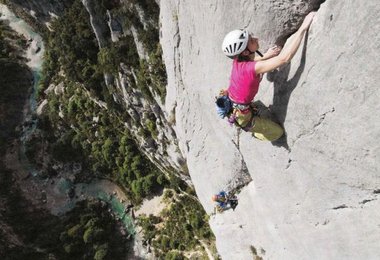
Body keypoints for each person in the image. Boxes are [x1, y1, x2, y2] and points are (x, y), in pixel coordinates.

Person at [220, 12, 316, 141]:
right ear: (245, 51)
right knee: (277, 133)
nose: (257, 39)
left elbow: (254, 64)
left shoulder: (238, 60)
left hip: (234, 103)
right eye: (252, 40)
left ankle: (252, 117)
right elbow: (284, 59)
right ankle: (255, 132)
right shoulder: (252, 68)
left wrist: (266, 56)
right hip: (242, 116)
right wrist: (304, 27)